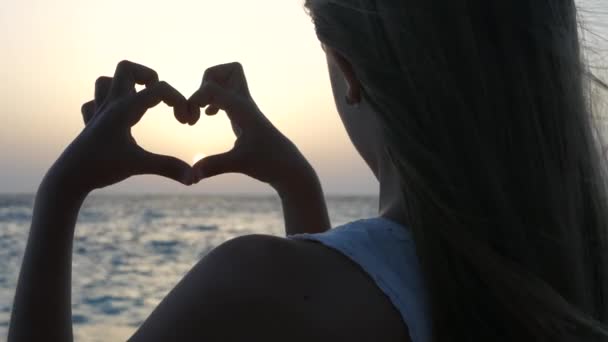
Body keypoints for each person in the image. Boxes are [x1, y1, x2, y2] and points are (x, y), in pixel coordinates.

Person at [7, 0, 608, 341]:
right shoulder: (575, 275)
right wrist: (298, 185)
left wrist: (60, 194)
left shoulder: (251, 284)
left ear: (348, 72)